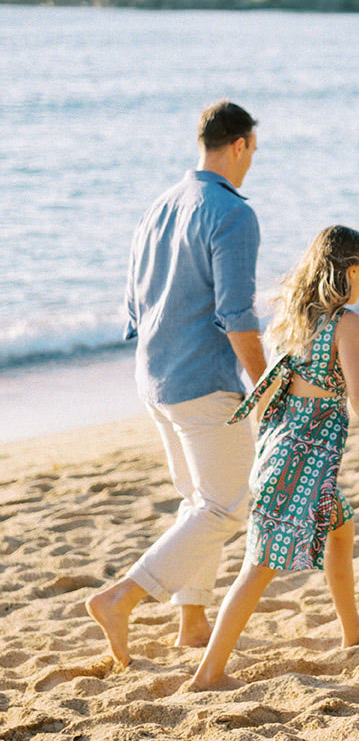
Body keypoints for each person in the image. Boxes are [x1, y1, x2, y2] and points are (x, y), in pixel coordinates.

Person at [87, 100, 266, 667]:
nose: (251, 161)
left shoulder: (158, 206)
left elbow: (134, 305)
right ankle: (122, 597)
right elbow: (236, 312)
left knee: (199, 503)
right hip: (200, 380)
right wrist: (265, 384)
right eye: (253, 150)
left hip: (152, 376)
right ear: (239, 145)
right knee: (228, 506)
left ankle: (192, 622)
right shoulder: (231, 213)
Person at [187, 225, 359, 691]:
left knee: (341, 527)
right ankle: (209, 673)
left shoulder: (294, 316)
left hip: (283, 445)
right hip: (305, 458)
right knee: (259, 564)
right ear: (352, 270)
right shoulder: (347, 323)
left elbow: (276, 388)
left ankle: (352, 631)